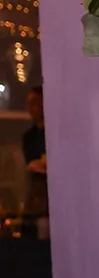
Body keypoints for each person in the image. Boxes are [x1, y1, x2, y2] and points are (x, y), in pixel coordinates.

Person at [21, 86, 47, 237]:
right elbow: (31, 163)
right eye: (30, 104)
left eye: (35, 102)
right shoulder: (29, 137)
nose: (31, 108)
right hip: (37, 189)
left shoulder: (55, 133)